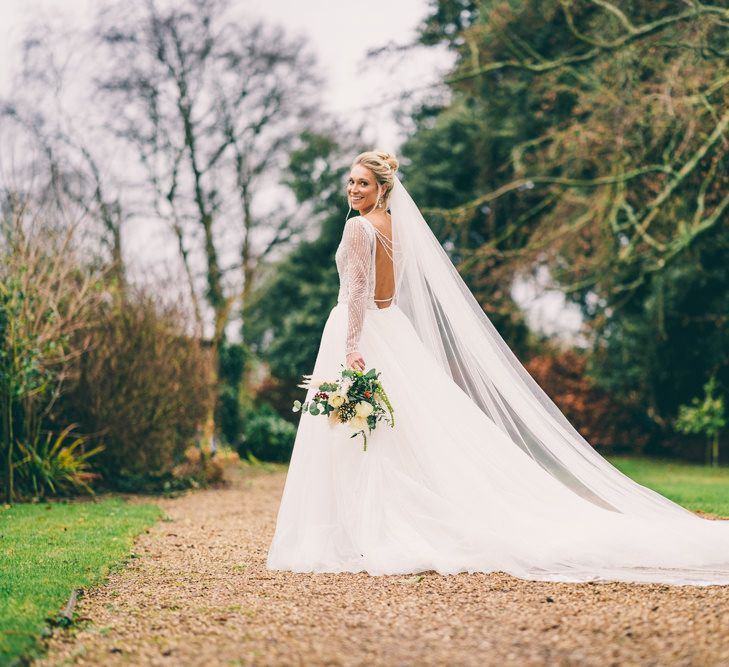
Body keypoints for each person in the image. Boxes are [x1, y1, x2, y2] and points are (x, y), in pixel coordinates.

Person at [267, 150, 729, 585]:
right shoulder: (398, 227)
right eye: (350, 181)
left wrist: (350, 349)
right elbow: (389, 293)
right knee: (397, 432)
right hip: (393, 330)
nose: (353, 189)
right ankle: (371, 523)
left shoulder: (358, 230)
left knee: (362, 431)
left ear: (381, 188)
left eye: (362, 183)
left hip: (362, 333)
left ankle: (358, 530)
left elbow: (355, 294)